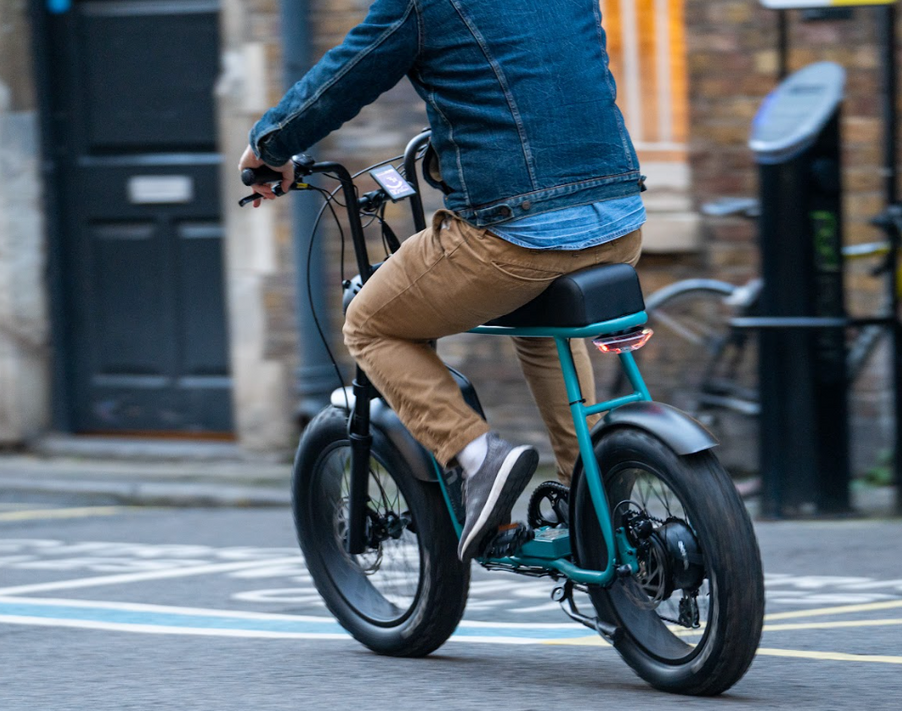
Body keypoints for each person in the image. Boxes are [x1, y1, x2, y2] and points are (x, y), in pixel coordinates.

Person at [240, 0, 645, 561]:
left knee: (370, 324)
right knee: (540, 323)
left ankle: (479, 457)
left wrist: (269, 145)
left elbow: (347, 73)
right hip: (621, 216)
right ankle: (590, 497)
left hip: (515, 232)